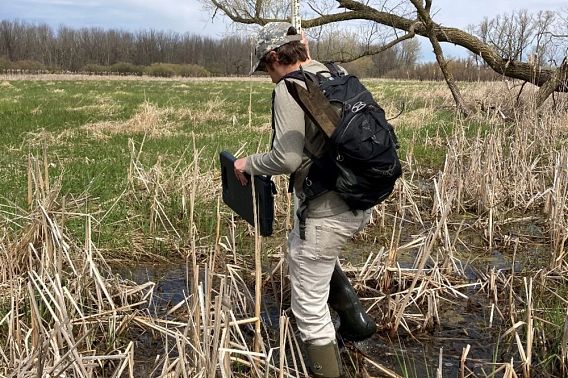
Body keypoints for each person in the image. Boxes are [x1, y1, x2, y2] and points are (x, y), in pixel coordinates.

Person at [234, 22, 373, 378]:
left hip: (326, 210)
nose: (268, 76)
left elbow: (286, 159)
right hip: (358, 199)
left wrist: (247, 164)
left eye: (266, 68)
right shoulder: (332, 73)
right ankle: (355, 320)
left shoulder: (290, 86)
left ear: (275, 57)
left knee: (309, 310)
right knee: (305, 247)